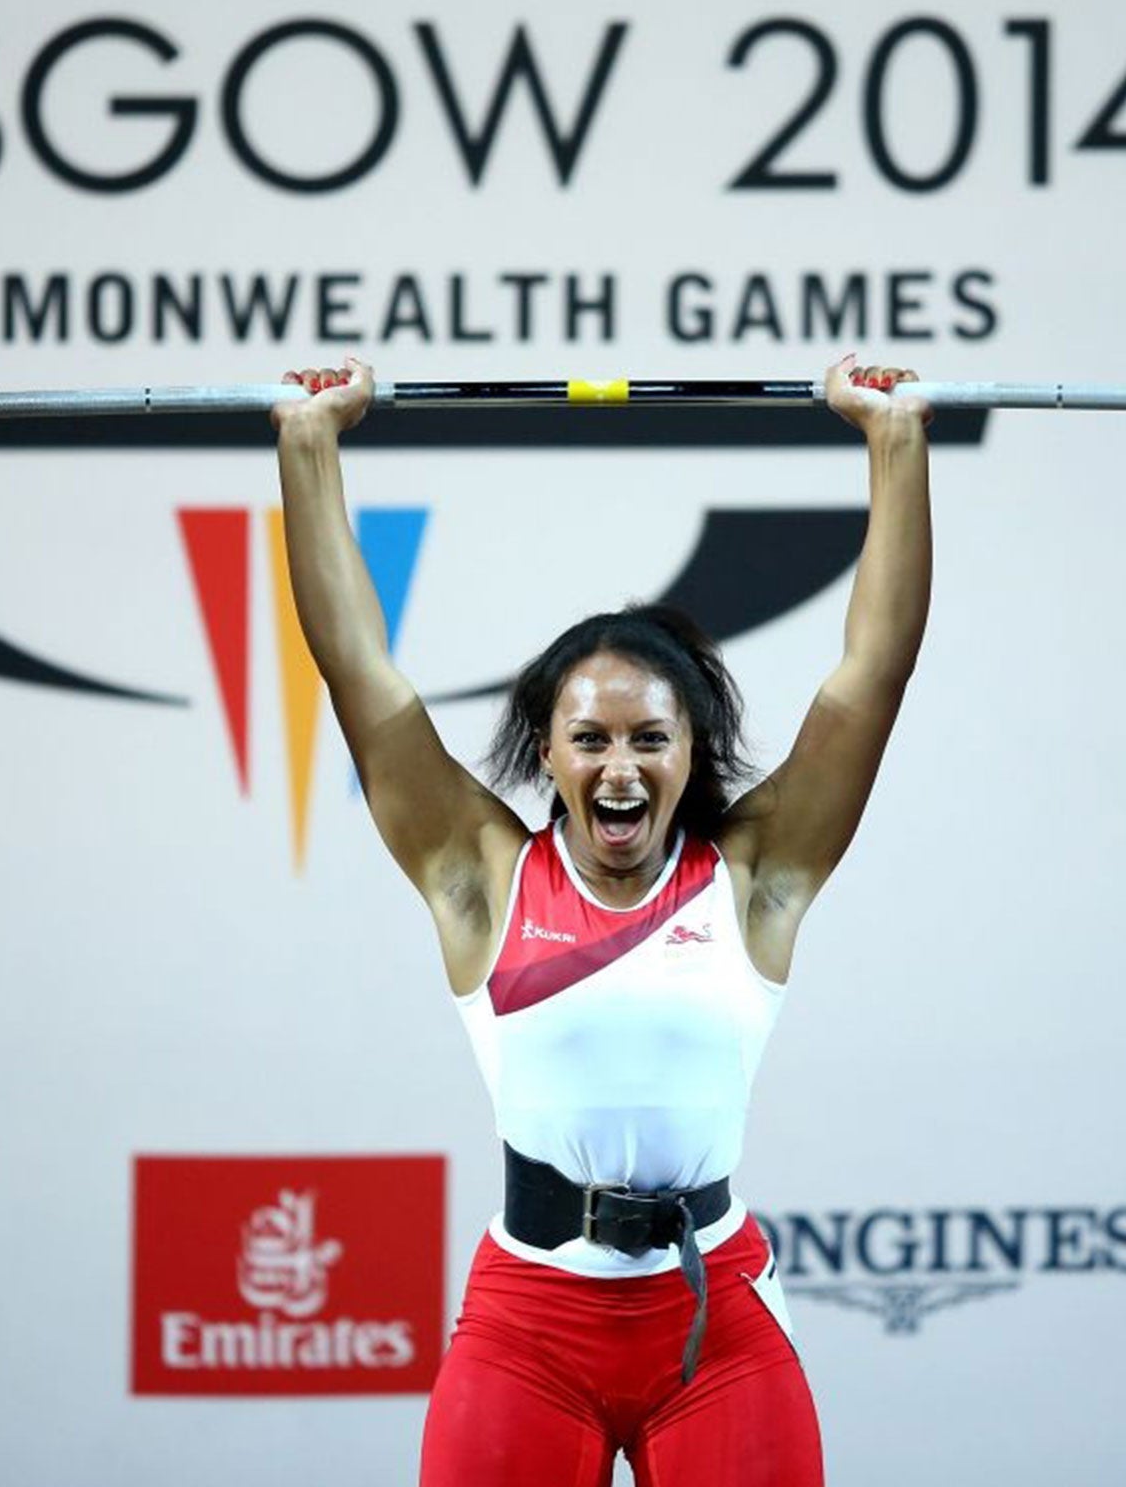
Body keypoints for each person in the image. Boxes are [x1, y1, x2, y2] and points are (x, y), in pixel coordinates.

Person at [272, 354, 932, 1487]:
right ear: (548, 754)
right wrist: (308, 446)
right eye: (590, 740)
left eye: (648, 739)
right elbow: (357, 670)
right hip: (529, 1326)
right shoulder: (476, 875)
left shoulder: (755, 873)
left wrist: (896, 445)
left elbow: (872, 672)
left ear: (690, 756)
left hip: (712, 1322)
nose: (619, 768)